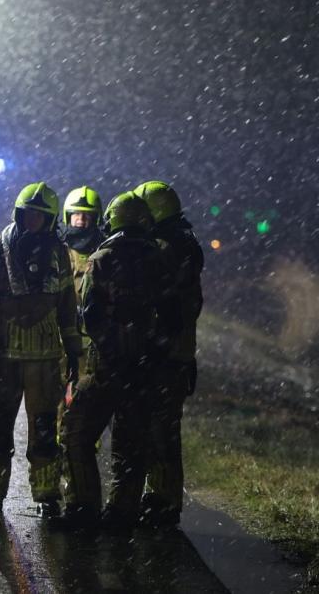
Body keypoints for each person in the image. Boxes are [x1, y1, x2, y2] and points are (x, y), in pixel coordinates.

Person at [53, 192, 176, 532]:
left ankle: (83, 505)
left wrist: (111, 349)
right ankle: (123, 511)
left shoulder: (101, 259)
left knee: (76, 433)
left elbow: (90, 316)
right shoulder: (160, 261)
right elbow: (172, 316)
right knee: (130, 442)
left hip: (106, 369)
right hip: (144, 370)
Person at [0, 182, 81, 517]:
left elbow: (66, 305)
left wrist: (74, 351)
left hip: (45, 356)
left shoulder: (58, 253)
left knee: (44, 429)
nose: (32, 220)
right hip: (5, 354)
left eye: (39, 215)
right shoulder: (0, 247)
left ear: (50, 219)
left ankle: (47, 493)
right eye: (28, 214)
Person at [133, 181, 204, 526]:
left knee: (159, 429)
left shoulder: (164, 249)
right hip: (176, 354)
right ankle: (160, 496)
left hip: (165, 355)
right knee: (163, 428)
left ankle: (163, 501)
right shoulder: (184, 245)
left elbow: (159, 301)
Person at [59, 186, 103, 389]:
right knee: (56, 392)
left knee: (86, 392)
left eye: (87, 215)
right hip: (61, 336)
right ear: (68, 216)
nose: (81, 220)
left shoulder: (103, 250)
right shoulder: (58, 250)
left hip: (91, 336)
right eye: (76, 214)